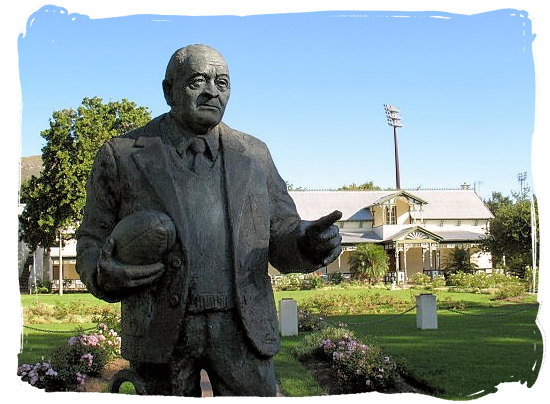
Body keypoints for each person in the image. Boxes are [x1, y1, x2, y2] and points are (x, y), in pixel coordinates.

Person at [76, 44, 342, 396]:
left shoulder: (254, 155)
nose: (212, 92)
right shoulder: (123, 155)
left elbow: (280, 232)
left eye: (222, 82)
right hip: (160, 334)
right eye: (198, 81)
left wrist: (306, 242)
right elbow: (92, 239)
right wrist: (104, 273)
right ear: (169, 90)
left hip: (242, 330)